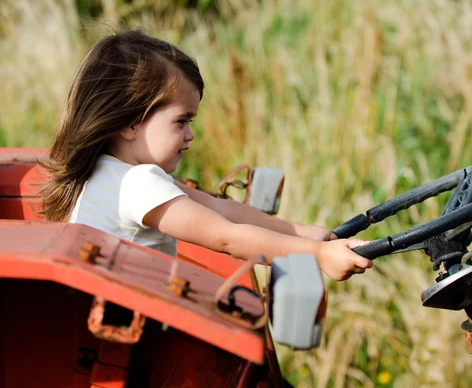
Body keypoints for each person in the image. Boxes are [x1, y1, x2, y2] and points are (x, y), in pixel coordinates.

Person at [39, 29, 373, 281]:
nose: (190, 135)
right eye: (181, 121)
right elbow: (226, 237)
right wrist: (317, 255)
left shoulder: (107, 172)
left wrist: (298, 231)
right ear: (130, 123)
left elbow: (218, 207)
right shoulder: (138, 185)